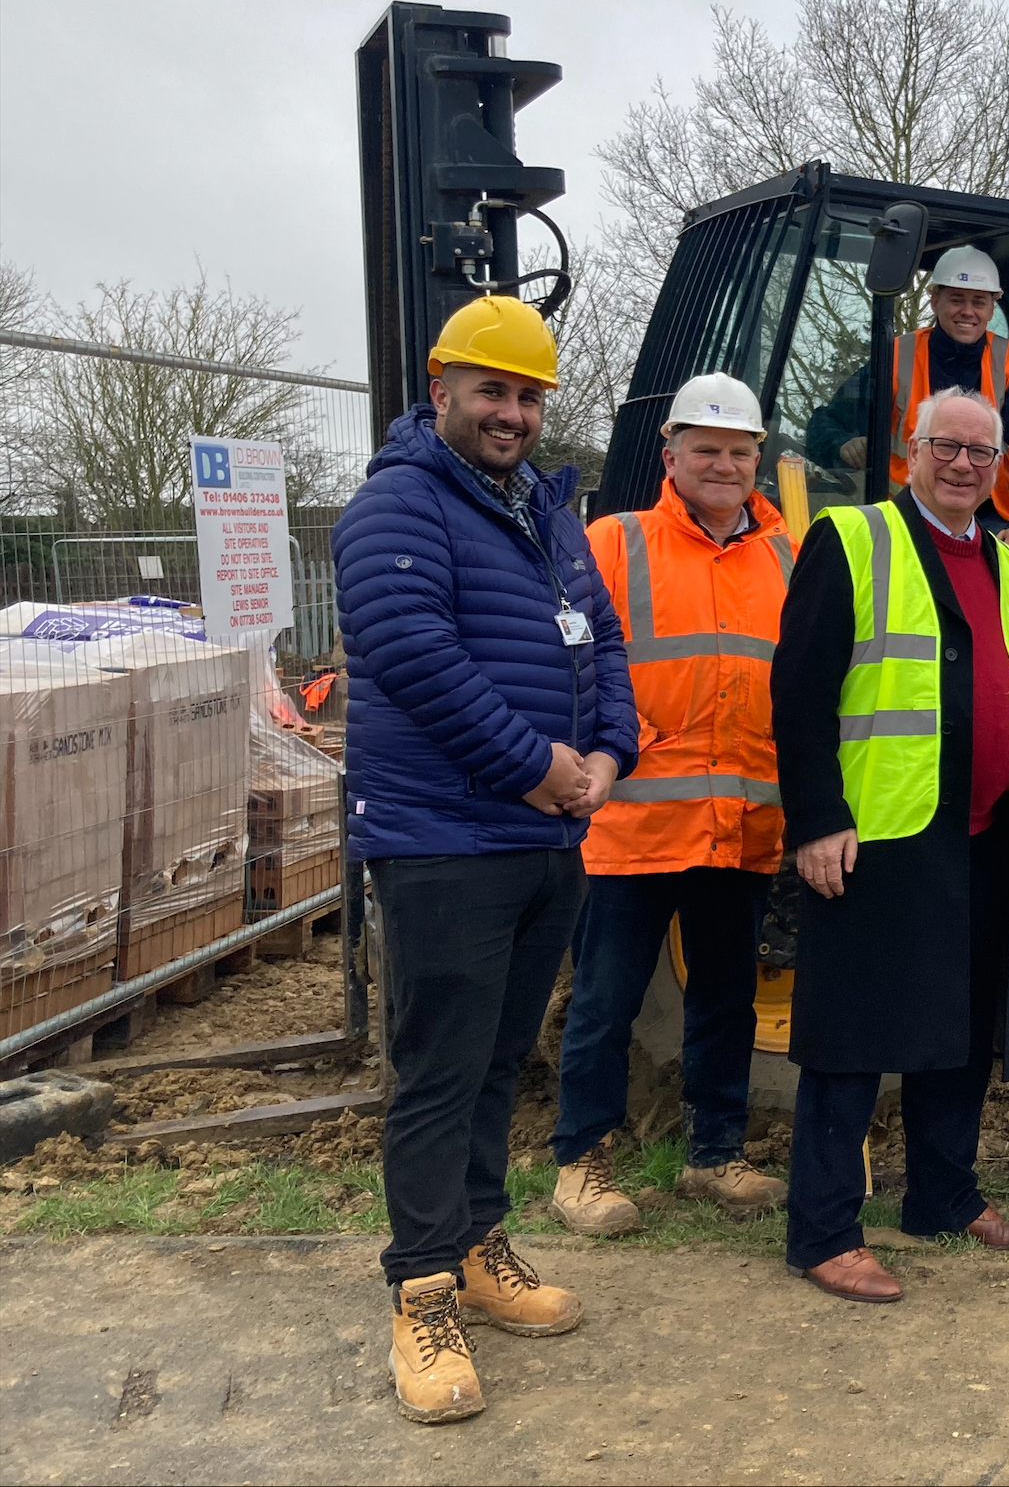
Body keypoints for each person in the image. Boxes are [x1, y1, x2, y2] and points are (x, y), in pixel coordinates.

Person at [333, 294, 639, 1424]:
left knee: (501, 1060)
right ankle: (418, 1290)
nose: (510, 412)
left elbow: (603, 639)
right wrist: (534, 767)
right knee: (437, 1070)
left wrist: (608, 753)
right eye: (491, 391)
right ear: (441, 388)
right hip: (446, 843)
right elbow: (411, 652)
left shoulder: (546, 514)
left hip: (546, 835)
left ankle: (474, 1243)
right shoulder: (397, 506)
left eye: (527, 396)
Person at [769, 386, 1009, 1302]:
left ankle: (942, 1194)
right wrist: (814, 816)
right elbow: (800, 693)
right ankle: (821, 1229)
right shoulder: (854, 540)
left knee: (963, 1032)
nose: (965, 464)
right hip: (878, 833)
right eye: (948, 447)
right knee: (852, 1035)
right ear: (911, 450)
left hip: (988, 837)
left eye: (982, 452)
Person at [548, 373, 792, 1236]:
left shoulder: (786, 555)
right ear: (672, 455)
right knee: (605, 1002)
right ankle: (582, 1163)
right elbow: (565, 664)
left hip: (743, 822)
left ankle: (714, 1155)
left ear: (757, 459)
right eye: (706, 450)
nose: (723, 465)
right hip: (634, 823)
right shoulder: (613, 544)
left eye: (738, 451)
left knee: (726, 996)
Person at [802, 246, 1009, 558]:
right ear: (935, 300)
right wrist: (842, 443)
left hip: (985, 515)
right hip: (903, 510)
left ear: (992, 307)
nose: (968, 311)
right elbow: (825, 423)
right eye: (956, 299)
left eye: (978, 301)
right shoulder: (895, 357)